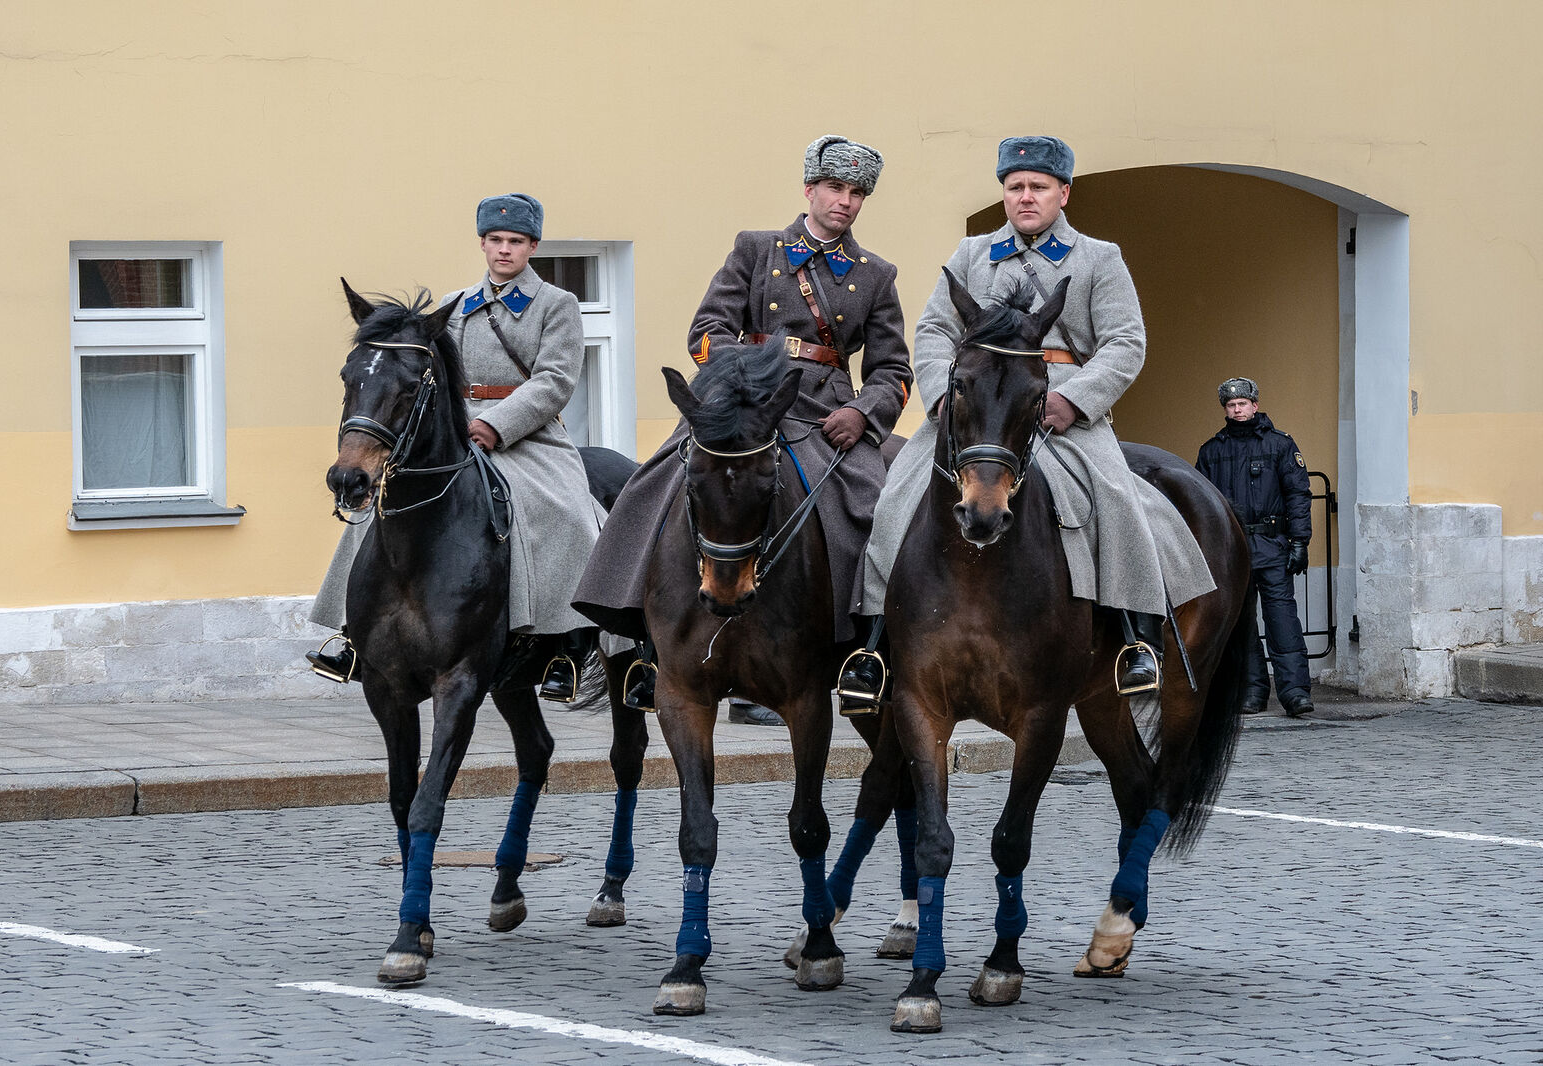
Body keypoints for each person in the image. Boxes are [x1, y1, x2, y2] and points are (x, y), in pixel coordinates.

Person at [846, 135, 1217, 705]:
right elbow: (934, 331)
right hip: (976, 405)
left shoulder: (1099, 257)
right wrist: (945, 396)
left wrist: (1078, 400)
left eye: (1038, 187)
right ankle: (871, 644)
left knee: (1114, 493)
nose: (1025, 197)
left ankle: (1133, 636)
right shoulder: (971, 254)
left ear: (1062, 193)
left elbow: (1125, 342)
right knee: (899, 489)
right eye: (1015, 187)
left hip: (1062, 400)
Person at [572, 134, 913, 725]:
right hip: (740, 404)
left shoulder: (876, 275)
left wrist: (863, 413)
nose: (846, 202)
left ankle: (863, 651)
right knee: (651, 489)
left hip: (824, 417)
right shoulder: (757, 249)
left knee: (872, 507)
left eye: (857, 194)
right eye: (835, 188)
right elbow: (708, 328)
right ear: (810, 190)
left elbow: (893, 369)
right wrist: (742, 382)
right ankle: (641, 647)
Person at [307, 193, 602, 703]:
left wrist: (496, 423)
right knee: (382, 502)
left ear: (532, 246)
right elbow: (433, 376)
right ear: (482, 243)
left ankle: (565, 645)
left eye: (514, 242)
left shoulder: (557, 305)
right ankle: (352, 635)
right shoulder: (456, 304)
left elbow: (555, 380)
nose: (504, 250)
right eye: (495, 241)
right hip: (452, 429)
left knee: (570, 516)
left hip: (528, 435)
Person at [1195, 377, 1315, 717]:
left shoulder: (1279, 445)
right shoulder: (1212, 451)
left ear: (1254, 405)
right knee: (1242, 626)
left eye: (1242, 404)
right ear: (1225, 410)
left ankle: (1295, 692)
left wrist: (1299, 542)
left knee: (1283, 622)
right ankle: (1252, 691)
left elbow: (1298, 495)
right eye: (1231, 406)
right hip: (1232, 553)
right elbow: (1201, 503)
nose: (1237, 409)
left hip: (1273, 546)